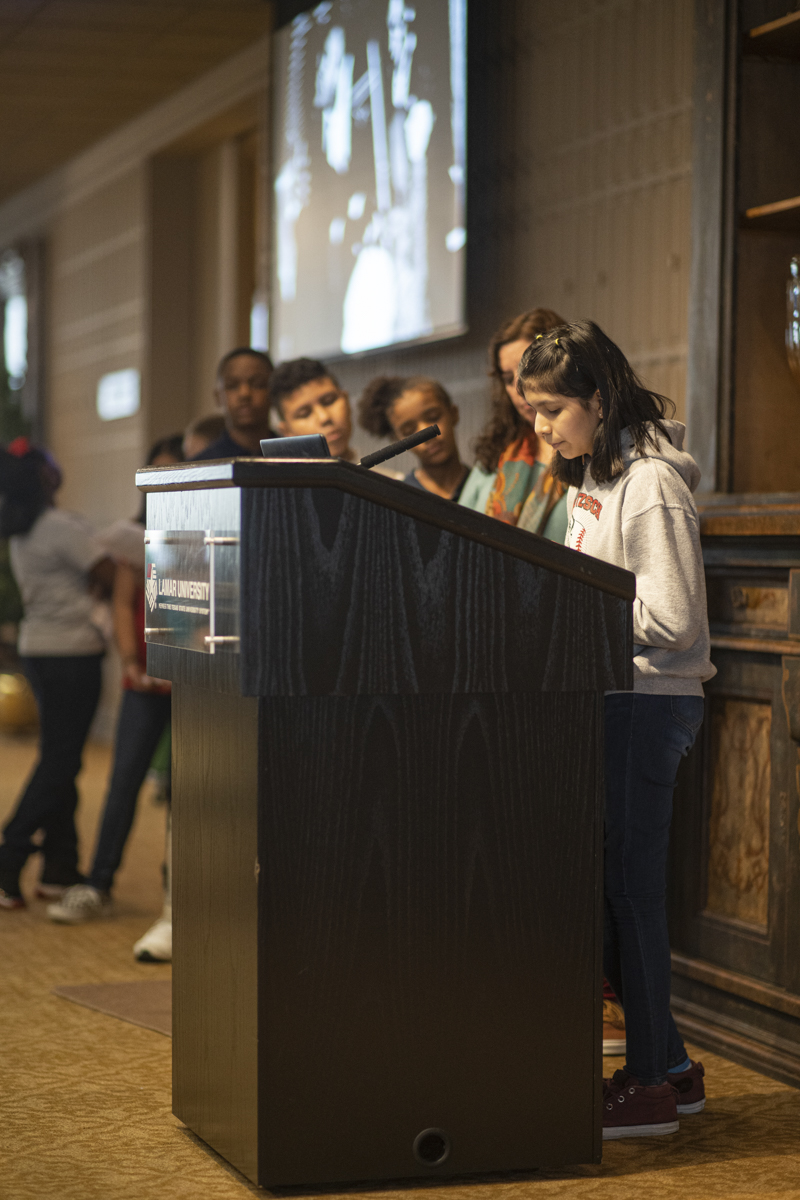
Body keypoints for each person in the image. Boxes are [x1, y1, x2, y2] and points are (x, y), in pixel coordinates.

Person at [518, 319, 715, 1140]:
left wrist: (572, 613)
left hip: (649, 699)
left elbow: (670, 618)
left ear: (598, 401)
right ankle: (670, 1068)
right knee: (610, 893)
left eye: (553, 411)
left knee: (632, 895)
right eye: (531, 412)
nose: (541, 429)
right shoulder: (593, 478)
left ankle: (647, 1086)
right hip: (613, 695)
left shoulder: (651, 486)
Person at [46, 437, 184, 966]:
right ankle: (97, 883)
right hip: (144, 681)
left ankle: (183, 896)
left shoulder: (207, 533)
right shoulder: (134, 539)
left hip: (197, 683)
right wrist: (134, 663)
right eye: (162, 475)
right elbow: (126, 604)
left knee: (189, 790)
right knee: (123, 779)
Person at [0, 439, 114, 909]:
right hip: (72, 655)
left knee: (59, 757)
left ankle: (60, 868)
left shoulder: (22, 530)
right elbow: (108, 569)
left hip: (40, 652)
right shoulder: (60, 527)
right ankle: (9, 857)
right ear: (45, 477)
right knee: (61, 761)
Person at [459, 308, 569, 542]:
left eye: (527, 371)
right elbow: (457, 538)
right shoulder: (495, 453)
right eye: (508, 380)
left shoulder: (590, 456)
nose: (519, 389)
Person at [357, 376, 468, 500]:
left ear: (453, 413)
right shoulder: (400, 499)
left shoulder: (487, 484)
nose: (426, 434)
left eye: (433, 417)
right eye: (409, 431)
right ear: (398, 440)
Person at [193, 347, 277, 459]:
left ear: (273, 392)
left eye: (257, 384)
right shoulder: (202, 467)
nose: (244, 394)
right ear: (218, 396)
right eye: (232, 386)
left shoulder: (293, 458)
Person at [270, 357, 355, 459]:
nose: (324, 417)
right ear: (286, 431)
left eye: (329, 401)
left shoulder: (377, 472)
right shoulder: (277, 475)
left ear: (346, 399)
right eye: (305, 414)